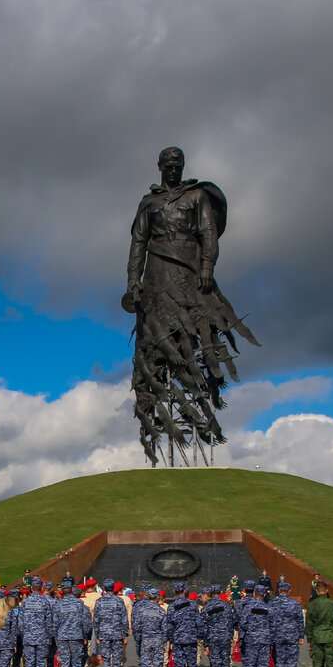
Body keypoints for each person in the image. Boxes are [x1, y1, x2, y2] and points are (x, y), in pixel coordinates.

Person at [123, 146, 259, 463]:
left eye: (177, 165)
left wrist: (207, 268)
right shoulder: (149, 204)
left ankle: (200, 407)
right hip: (157, 275)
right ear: (159, 167)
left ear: (183, 167)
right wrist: (133, 280)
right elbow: (137, 244)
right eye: (168, 165)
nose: (173, 169)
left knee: (194, 339)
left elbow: (209, 234)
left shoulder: (197, 197)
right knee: (157, 344)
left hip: (189, 271)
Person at [164, 581, 201, 667]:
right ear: (185, 591)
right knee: (192, 663)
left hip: (178, 639)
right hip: (190, 638)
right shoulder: (193, 604)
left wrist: (170, 640)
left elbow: (169, 626)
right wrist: (200, 637)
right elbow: (198, 622)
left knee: (179, 664)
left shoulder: (171, 607)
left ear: (175, 592)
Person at [55, 585, 93, 667]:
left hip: (62, 637)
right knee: (77, 661)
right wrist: (85, 636)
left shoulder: (59, 604)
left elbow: (54, 623)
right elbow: (86, 622)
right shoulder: (79, 604)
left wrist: (56, 636)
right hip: (77, 636)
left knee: (65, 662)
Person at [94, 578, 129, 667]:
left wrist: (97, 635)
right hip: (117, 633)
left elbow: (96, 620)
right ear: (113, 588)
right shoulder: (119, 601)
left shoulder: (99, 602)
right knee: (117, 658)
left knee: (106, 658)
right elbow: (124, 618)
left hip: (104, 634)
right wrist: (125, 633)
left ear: (104, 588)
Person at [133, 587, 167, 667]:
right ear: (157, 597)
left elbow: (136, 625)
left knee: (146, 662)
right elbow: (165, 629)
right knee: (157, 663)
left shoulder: (141, 610)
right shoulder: (161, 610)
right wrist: (164, 641)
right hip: (157, 639)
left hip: (146, 638)